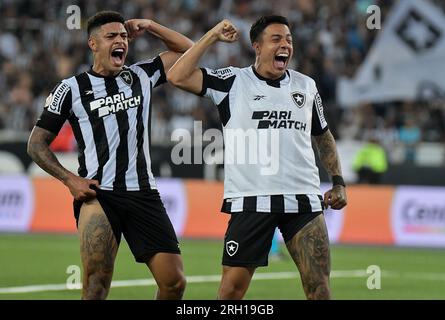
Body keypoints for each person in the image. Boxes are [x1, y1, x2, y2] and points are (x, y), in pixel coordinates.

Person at [167, 15, 347, 300]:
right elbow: (177, 76)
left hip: (303, 199)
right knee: (230, 293)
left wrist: (338, 181)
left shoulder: (306, 86)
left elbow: (323, 136)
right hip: (252, 200)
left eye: (288, 39)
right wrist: (212, 35)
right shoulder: (232, 82)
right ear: (257, 47)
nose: (285, 44)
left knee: (319, 289)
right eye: (276, 39)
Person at [27, 11, 193, 300]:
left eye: (124, 36)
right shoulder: (71, 88)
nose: (121, 41)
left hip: (143, 192)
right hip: (99, 195)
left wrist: (151, 25)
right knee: (96, 287)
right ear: (93, 44)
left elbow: (188, 50)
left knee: (174, 283)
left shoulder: (142, 74)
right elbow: (36, 143)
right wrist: (70, 180)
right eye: (112, 36)